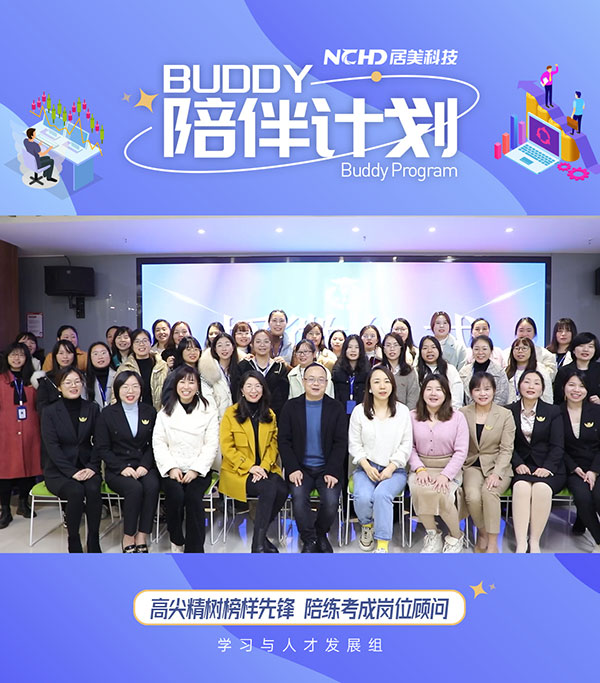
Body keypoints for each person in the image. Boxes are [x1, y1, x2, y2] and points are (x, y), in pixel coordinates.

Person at [279, 362, 348, 553]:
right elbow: (283, 441)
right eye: (311, 379)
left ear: (326, 383)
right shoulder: (290, 407)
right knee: (299, 498)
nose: (315, 383)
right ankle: (309, 539)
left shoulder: (336, 408)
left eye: (320, 380)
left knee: (331, 501)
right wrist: (293, 468)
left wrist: (332, 470)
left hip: (327, 468)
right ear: (303, 381)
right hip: (300, 468)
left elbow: (341, 443)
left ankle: (320, 533)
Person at [219, 371, 288, 552]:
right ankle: (257, 545)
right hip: (238, 471)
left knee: (282, 489)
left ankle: (260, 536)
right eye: (249, 386)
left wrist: (263, 467)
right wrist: (251, 467)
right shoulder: (231, 413)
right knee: (268, 488)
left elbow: (273, 445)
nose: (253, 390)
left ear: (263, 390)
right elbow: (227, 448)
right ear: (242, 390)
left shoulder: (270, 414)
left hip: (265, 468)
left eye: (258, 386)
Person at [152, 366, 219, 553]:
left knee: (193, 498)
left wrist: (196, 470)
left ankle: (194, 549)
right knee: (175, 495)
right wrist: (171, 468)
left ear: (198, 386)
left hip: (198, 469)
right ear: (175, 385)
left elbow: (211, 445)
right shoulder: (164, 412)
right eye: (182, 382)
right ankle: (176, 538)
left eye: (191, 382)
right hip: (172, 468)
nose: (186, 386)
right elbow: (159, 443)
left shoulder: (208, 411)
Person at [95, 371, 160, 553]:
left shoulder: (149, 411)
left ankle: (142, 534)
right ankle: (128, 535)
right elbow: (102, 448)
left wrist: (144, 465)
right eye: (125, 387)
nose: (130, 391)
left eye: (135, 386)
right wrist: (121, 467)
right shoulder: (107, 414)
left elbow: (154, 444)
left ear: (141, 389)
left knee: (152, 485)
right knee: (134, 488)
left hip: (143, 465)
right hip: (117, 468)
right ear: (117, 389)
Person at [349, 366, 412, 553]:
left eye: (386, 381)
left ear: (392, 385)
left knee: (382, 495)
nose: (382, 386)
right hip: (365, 467)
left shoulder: (402, 411)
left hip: (395, 470)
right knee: (363, 496)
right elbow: (354, 444)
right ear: (369, 387)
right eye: (376, 382)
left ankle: (382, 544)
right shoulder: (359, 411)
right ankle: (367, 526)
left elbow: (406, 445)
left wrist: (391, 468)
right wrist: (367, 466)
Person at [41, 368, 101, 553]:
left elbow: (100, 442)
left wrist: (92, 467)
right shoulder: (49, 412)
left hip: (87, 466)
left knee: (93, 489)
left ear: (82, 384)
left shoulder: (92, 408)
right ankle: (73, 539)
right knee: (75, 491)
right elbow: (52, 448)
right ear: (59, 387)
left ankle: (93, 539)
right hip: (59, 471)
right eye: (68, 382)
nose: (73, 386)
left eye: (77, 381)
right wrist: (71, 472)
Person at [409, 374, 469, 553]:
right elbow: (408, 447)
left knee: (443, 493)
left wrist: (446, 475)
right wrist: (419, 469)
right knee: (419, 489)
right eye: (429, 389)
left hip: (449, 467)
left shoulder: (457, 417)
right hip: (421, 467)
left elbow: (461, 451)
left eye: (438, 390)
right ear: (422, 393)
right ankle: (432, 534)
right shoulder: (412, 416)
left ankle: (456, 535)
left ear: (446, 393)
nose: (433, 393)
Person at [508, 370, 566, 553]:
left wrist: (547, 467)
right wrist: (517, 463)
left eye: (536, 383)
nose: (531, 386)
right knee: (521, 488)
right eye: (527, 382)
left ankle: (534, 541)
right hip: (521, 466)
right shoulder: (508, 411)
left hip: (549, 466)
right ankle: (521, 543)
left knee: (541, 489)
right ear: (519, 386)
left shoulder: (553, 411)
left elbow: (558, 445)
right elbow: (507, 445)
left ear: (542, 389)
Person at [459, 372, 515, 553]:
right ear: (471, 392)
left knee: (490, 492)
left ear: (494, 391)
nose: (482, 393)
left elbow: (506, 449)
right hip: (472, 464)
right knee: (472, 496)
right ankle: (482, 532)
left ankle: (492, 543)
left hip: (498, 465)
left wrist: (497, 473)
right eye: (477, 389)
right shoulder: (463, 413)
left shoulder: (505, 414)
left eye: (487, 389)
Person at [0, 343, 42, 528]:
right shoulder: (1, 379)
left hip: (30, 431)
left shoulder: (34, 380)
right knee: (4, 472)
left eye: (21, 355)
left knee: (29, 468)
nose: (17, 359)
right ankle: (5, 510)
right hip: (5, 432)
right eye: (13, 355)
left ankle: (24, 504)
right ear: (7, 357)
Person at [560, 368, 600, 552]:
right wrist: (574, 468)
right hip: (572, 468)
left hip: (596, 465)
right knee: (583, 498)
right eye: (572, 385)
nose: (576, 390)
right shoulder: (556, 412)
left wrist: (594, 471)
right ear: (564, 387)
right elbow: (557, 446)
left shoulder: (596, 411)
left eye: (581, 386)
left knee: (598, 496)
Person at [113, 329, 169, 411]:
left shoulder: (162, 366)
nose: (141, 344)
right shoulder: (124, 368)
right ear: (132, 345)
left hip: (159, 413)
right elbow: (115, 395)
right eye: (137, 341)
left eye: (145, 341)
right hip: (132, 413)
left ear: (150, 343)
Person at [238, 330, 289, 419]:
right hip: (247, 416)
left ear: (271, 344)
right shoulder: (244, 365)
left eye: (266, 341)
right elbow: (238, 392)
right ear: (252, 344)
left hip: (273, 416)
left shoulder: (279, 367)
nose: (262, 345)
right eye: (258, 342)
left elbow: (283, 396)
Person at [199, 332, 240, 419]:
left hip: (238, 419)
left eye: (227, 345)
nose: (224, 349)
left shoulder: (240, 369)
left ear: (233, 347)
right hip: (217, 419)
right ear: (215, 349)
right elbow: (208, 400)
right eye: (220, 345)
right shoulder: (207, 371)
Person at [416, 335, 464, 410]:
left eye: (433, 347)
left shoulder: (450, 369)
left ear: (439, 350)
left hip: (447, 412)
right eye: (425, 348)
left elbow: (456, 396)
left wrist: (451, 412)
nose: (429, 351)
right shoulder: (415, 371)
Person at [459, 335, 509, 406]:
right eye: (476, 349)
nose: (480, 352)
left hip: (493, 411)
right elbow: (460, 398)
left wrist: (485, 410)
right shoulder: (463, 372)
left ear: (491, 351)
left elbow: (501, 399)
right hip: (468, 411)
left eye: (484, 349)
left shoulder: (499, 372)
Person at [554, 332, 600, 405]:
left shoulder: (598, 369)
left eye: (590, 346)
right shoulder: (564, 371)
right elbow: (558, 399)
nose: (586, 349)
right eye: (581, 346)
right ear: (573, 350)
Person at [34, 340, 79, 414]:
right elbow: (42, 407)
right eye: (61, 353)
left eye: (69, 352)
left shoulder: (81, 377)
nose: (65, 356)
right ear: (55, 356)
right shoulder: (47, 379)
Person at [506, 337, 553, 404]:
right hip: (510, 408)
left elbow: (547, 395)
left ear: (531, 351)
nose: (520, 351)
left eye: (524, 348)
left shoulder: (540, 369)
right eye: (517, 348)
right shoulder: (507, 370)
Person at [379, 332, 419, 409]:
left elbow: (413, 399)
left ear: (401, 348)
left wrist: (406, 414)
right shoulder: (377, 370)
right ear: (383, 349)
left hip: (405, 414)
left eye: (395, 345)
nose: (392, 349)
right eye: (388, 345)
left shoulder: (410, 371)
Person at [332, 334, 369, 416]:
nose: (353, 350)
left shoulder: (367, 370)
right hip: (340, 413)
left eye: (357, 347)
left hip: (362, 413)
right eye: (350, 347)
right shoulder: (337, 370)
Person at [85, 342, 116, 408]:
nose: (100, 357)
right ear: (90, 358)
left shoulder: (117, 375)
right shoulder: (84, 379)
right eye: (95, 354)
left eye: (103, 353)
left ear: (110, 355)